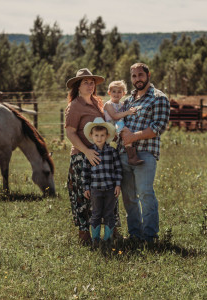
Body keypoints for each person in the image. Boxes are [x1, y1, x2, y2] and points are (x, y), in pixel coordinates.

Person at [65, 68, 121, 245]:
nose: (90, 85)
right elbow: (70, 132)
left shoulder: (98, 102)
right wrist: (86, 152)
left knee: (108, 191)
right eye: (85, 83)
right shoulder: (75, 106)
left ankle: (112, 229)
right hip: (82, 156)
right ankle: (84, 232)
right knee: (84, 194)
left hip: (103, 155)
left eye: (92, 82)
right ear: (78, 86)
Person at [118, 63, 170, 243]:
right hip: (125, 153)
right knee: (129, 197)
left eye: (140, 75)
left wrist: (133, 136)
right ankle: (134, 234)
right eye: (133, 76)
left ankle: (149, 236)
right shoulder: (128, 100)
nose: (137, 79)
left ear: (148, 75)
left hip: (145, 153)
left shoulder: (158, 98)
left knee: (145, 193)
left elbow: (158, 127)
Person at [81, 118, 122, 247]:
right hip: (95, 189)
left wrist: (118, 184)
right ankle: (96, 240)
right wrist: (86, 188)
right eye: (96, 135)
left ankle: (108, 240)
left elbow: (118, 169)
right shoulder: (89, 153)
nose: (99, 138)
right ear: (91, 136)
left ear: (107, 136)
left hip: (110, 189)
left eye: (102, 135)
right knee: (96, 213)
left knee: (109, 213)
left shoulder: (112, 151)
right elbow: (85, 172)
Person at [104, 80, 144, 165]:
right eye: (113, 91)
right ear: (109, 92)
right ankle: (132, 157)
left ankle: (130, 155)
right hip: (110, 125)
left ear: (124, 93)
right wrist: (128, 112)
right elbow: (114, 116)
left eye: (119, 92)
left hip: (118, 125)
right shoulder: (108, 104)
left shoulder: (122, 104)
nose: (116, 94)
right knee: (126, 132)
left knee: (126, 131)